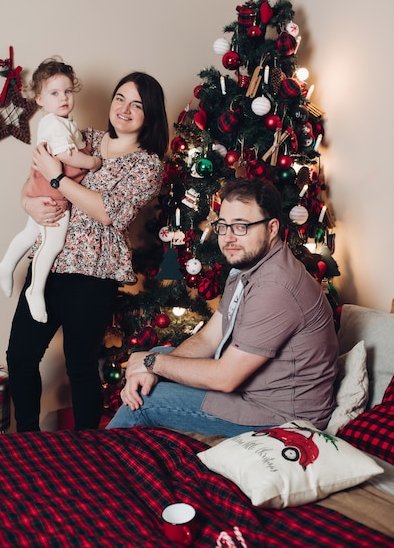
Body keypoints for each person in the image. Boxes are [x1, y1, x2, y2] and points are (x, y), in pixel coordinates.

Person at [107, 178, 339, 437]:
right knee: (160, 354)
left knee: (143, 401)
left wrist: (150, 362)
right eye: (223, 226)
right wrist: (153, 363)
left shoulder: (276, 286)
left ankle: (92, 468)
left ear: (272, 228)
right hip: (252, 393)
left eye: (241, 226)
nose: (228, 238)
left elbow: (226, 378)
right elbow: (210, 337)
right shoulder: (246, 265)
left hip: (280, 416)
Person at [5, 71, 169, 432]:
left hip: (93, 271)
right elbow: (33, 178)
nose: (124, 108)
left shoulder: (147, 165)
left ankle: (85, 451)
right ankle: (28, 440)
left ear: (151, 115)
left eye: (137, 104)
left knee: (80, 365)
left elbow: (109, 213)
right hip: (49, 261)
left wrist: (58, 179)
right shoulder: (84, 138)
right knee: (20, 356)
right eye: (120, 98)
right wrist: (29, 205)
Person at [0, 58, 101, 323]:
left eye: (67, 91)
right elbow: (67, 155)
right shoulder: (53, 123)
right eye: (54, 93)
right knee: (52, 243)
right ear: (40, 99)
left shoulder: (64, 122)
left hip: (44, 187)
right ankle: (35, 290)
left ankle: (6, 264)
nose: (63, 97)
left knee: (31, 232)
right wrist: (93, 162)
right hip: (53, 193)